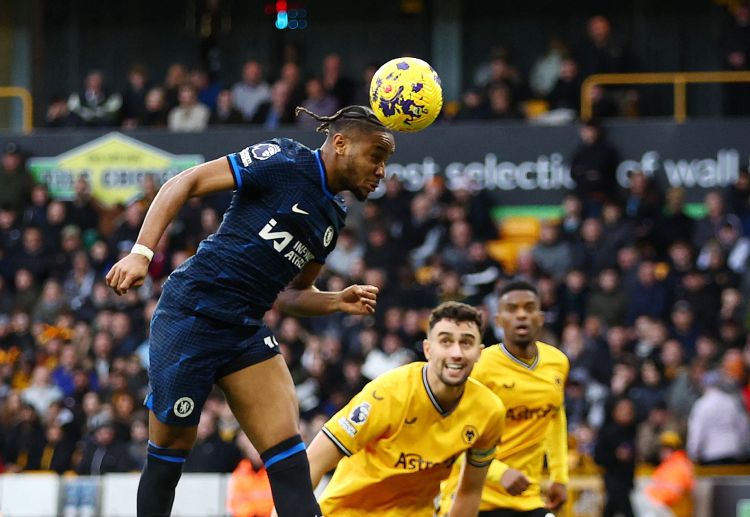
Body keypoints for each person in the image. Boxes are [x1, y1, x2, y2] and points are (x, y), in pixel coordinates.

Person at [105, 104, 396, 517]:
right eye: (376, 157)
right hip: (192, 314)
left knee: (288, 456)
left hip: (244, 328)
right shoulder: (283, 160)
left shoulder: (333, 216)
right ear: (341, 143)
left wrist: (335, 301)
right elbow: (185, 182)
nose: (381, 171)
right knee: (170, 451)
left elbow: (291, 295)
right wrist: (140, 254)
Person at [295, 302, 505, 516]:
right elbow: (313, 462)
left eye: (467, 343)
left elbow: (470, 491)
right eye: (446, 341)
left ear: (480, 352)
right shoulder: (388, 393)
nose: (457, 353)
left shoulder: (489, 410)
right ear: (428, 349)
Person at [439, 280, 570, 517]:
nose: (521, 315)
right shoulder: (479, 367)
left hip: (525, 498)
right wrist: (500, 473)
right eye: (512, 309)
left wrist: (559, 477)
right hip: (475, 498)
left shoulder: (558, 362)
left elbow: (555, 416)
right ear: (499, 321)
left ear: (540, 317)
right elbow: (451, 437)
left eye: (529, 308)